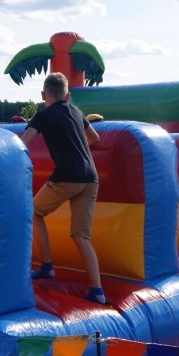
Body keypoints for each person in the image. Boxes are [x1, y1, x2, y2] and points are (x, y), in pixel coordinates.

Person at [20, 72, 106, 304]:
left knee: (35, 212)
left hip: (66, 177)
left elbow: (22, 144)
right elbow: (95, 138)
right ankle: (97, 290)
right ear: (67, 95)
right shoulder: (77, 112)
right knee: (81, 235)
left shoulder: (43, 116)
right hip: (90, 178)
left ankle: (47, 265)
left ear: (43, 95)